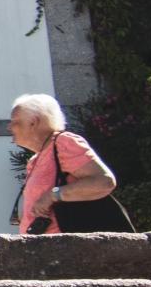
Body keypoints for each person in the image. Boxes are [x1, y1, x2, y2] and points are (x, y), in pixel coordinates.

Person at [10, 92, 119, 234]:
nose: (10, 127)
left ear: (33, 122)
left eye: (15, 122)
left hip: (69, 247)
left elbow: (104, 181)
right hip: (42, 248)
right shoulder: (35, 160)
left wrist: (52, 195)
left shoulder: (63, 143)